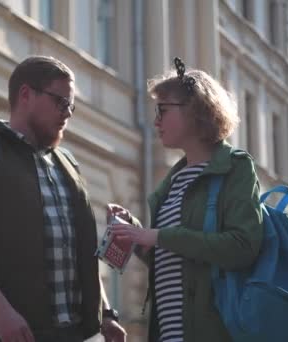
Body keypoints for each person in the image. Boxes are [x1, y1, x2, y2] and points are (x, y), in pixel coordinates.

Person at [0, 55, 126, 342]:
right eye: (61, 102)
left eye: (71, 105)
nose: (68, 113)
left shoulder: (69, 165)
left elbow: (83, 257)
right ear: (26, 94)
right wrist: (1, 312)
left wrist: (107, 314)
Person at [107, 58, 263, 342]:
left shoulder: (235, 167)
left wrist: (157, 235)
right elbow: (174, 260)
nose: (156, 121)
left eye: (163, 111)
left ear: (194, 110)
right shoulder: (172, 182)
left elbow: (243, 247)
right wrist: (138, 237)